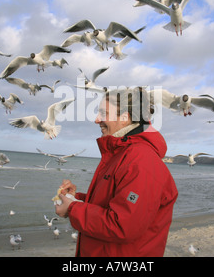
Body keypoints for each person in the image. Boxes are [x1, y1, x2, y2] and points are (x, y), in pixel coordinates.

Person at [55, 87, 178, 257]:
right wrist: (77, 199)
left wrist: (73, 209)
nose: (97, 120)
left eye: (103, 113)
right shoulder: (120, 154)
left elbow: (124, 225)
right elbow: (115, 203)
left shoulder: (141, 161)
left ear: (125, 117)